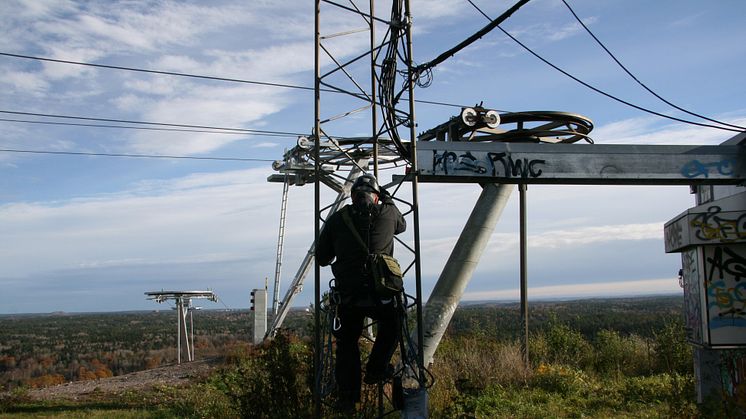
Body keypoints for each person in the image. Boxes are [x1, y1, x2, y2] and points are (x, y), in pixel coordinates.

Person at [317, 173, 406, 411]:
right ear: (376, 196)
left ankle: (348, 397)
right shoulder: (388, 213)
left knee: (347, 343)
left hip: (349, 295)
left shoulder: (337, 220)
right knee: (393, 325)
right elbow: (402, 226)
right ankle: (377, 368)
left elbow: (322, 258)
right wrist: (386, 198)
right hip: (382, 293)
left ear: (353, 197)